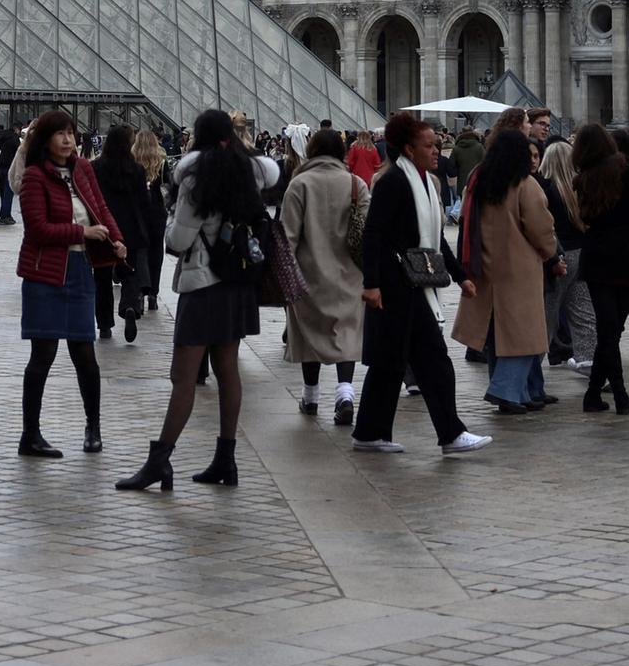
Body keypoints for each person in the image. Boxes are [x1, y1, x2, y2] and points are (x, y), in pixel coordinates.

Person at [117, 108, 276, 492]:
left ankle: (160, 461)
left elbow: (177, 241)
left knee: (182, 377)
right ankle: (226, 458)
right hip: (238, 283)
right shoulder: (250, 173)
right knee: (227, 371)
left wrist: (173, 224)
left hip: (204, 284)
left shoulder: (195, 178)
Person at [349, 112, 490, 454]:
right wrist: (371, 284)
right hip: (396, 286)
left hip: (414, 284)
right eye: (429, 145)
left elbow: (435, 240)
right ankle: (438, 433)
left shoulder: (426, 183)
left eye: (437, 145)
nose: (436, 151)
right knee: (405, 363)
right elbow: (373, 234)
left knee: (418, 363)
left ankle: (379, 432)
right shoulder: (395, 182)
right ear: (409, 149)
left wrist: (460, 277)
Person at [16, 110, 126, 459]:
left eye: (71, 133)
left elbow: (100, 209)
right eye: (60, 133)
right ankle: (30, 435)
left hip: (79, 270)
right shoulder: (34, 177)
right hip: (45, 274)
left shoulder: (83, 169)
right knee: (43, 356)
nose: (68, 140)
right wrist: (83, 232)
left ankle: (93, 428)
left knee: (85, 355)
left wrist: (116, 240)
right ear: (45, 138)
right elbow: (38, 229)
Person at [452, 129, 561, 414]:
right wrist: (551, 254)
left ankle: (521, 392)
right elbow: (541, 228)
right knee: (525, 336)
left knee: (496, 336)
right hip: (519, 268)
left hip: (485, 264)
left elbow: (463, 218)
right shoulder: (525, 185)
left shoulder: (479, 181)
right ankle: (505, 390)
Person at [279, 128, 365, 425]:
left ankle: (311, 396)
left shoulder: (299, 184)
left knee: (308, 335)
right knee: (347, 333)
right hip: (349, 274)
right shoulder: (356, 184)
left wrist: (283, 274)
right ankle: (345, 393)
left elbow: (287, 236)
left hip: (307, 274)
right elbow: (366, 232)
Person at [573, 123, 629, 414]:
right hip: (628, 256)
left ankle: (593, 393)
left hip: (597, 258)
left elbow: (585, 219)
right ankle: (619, 393)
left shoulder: (584, 178)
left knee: (608, 329)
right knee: (612, 330)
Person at [91, 124, 154, 344]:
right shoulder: (136, 170)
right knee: (130, 273)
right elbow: (145, 204)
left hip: (103, 229)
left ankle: (105, 324)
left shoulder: (95, 167)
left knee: (101, 278)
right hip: (131, 230)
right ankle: (129, 306)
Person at [538, 137, 597, 369]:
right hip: (582, 254)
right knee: (583, 311)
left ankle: (532, 363)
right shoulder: (580, 187)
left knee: (547, 313)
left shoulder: (547, 189)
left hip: (559, 256)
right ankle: (588, 358)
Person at [131, 128, 169, 312]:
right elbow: (168, 188)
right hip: (157, 212)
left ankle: (140, 290)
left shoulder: (131, 162)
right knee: (156, 252)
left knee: (140, 251)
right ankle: (153, 292)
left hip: (137, 212)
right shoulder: (161, 163)